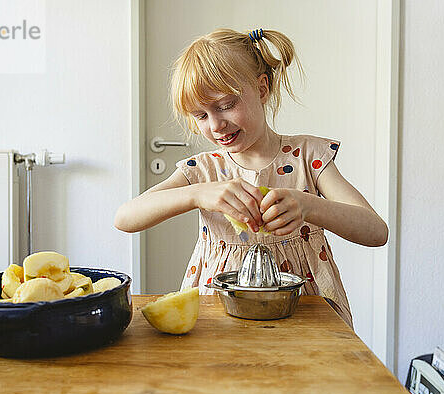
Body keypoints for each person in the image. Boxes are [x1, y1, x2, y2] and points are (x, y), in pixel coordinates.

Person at [114, 28, 388, 328]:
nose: (216, 125)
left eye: (225, 105)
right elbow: (125, 218)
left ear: (261, 88)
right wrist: (197, 194)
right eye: (201, 115)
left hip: (306, 312)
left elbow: (375, 231)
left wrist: (308, 206)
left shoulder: (308, 155)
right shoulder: (203, 170)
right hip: (219, 314)